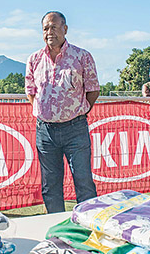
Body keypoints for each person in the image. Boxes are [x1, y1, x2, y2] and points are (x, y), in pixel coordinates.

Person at [25, 11, 99, 214]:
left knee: (83, 182)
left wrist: (78, 111)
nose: (49, 32)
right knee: (50, 186)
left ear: (65, 29)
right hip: (45, 132)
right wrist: (45, 112)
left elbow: (93, 90)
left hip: (75, 129)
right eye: (45, 28)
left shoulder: (82, 56)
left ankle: (88, 223)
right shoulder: (34, 59)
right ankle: (55, 224)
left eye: (54, 27)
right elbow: (31, 92)